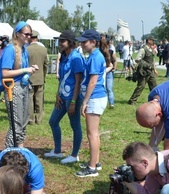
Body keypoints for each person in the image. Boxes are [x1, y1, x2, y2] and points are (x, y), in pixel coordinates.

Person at [0, 21, 38, 148]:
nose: (28, 37)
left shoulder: (23, 50)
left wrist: (30, 69)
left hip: (24, 87)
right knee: (16, 124)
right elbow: (5, 73)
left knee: (24, 122)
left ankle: (20, 150)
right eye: (26, 34)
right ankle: (8, 153)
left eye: (30, 34)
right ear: (18, 34)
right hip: (13, 88)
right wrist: (26, 70)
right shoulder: (10, 50)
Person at [45, 30, 84, 165]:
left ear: (71, 43)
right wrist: (57, 94)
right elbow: (62, 78)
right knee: (53, 121)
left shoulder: (76, 58)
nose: (60, 43)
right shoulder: (63, 56)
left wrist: (73, 101)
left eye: (63, 41)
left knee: (75, 126)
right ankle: (57, 151)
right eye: (59, 41)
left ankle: (74, 155)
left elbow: (78, 81)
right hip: (62, 96)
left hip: (72, 97)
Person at [74, 30, 107, 177]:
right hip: (96, 97)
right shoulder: (95, 55)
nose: (81, 44)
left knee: (91, 134)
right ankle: (96, 162)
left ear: (93, 42)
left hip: (95, 98)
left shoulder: (95, 57)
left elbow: (93, 82)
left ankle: (92, 168)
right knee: (94, 133)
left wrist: (84, 102)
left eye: (84, 42)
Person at [127, 36, 158, 105]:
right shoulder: (143, 49)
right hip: (144, 71)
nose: (153, 42)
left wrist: (154, 69)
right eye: (152, 40)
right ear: (149, 41)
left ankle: (155, 100)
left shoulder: (151, 49)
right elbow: (137, 60)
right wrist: (146, 65)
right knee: (141, 86)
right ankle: (132, 100)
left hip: (151, 71)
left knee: (154, 86)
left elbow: (152, 60)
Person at [27, 30, 49, 125]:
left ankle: (31, 119)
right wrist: (43, 76)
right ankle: (39, 119)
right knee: (39, 100)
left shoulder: (26, 50)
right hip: (40, 78)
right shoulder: (43, 50)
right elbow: (46, 65)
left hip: (29, 78)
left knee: (30, 100)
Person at [106, 37, 117, 108]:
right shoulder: (99, 51)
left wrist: (114, 68)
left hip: (109, 72)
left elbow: (115, 60)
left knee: (109, 88)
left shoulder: (111, 51)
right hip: (102, 72)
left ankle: (111, 103)